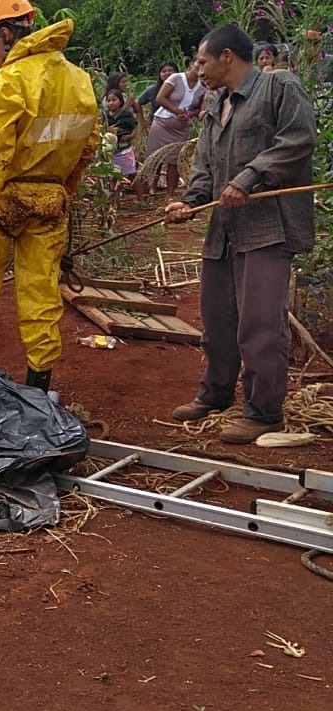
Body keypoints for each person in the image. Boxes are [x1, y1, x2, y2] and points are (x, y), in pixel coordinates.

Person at [164, 26, 316, 444]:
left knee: (260, 325)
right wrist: (189, 201)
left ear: (226, 55)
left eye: (201, 60)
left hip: (266, 229)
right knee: (217, 319)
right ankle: (215, 394)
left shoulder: (278, 87)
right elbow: (206, 169)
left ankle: (264, 412)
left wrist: (249, 178)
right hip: (223, 232)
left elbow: (298, 141)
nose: (198, 70)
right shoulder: (215, 107)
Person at [0, 0, 99, 393]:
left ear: (6, 35)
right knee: (41, 294)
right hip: (51, 200)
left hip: (3, 201)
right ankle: (39, 393)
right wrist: (65, 197)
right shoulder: (79, 80)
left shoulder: (3, 84)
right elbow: (86, 149)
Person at [139, 59, 205, 201]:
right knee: (155, 157)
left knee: (175, 160)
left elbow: (200, 108)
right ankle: (151, 187)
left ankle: (170, 193)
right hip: (162, 123)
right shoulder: (176, 78)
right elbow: (160, 98)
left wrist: (189, 114)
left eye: (204, 65)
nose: (200, 68)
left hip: (181, 127)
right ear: (191, 64)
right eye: (198, 64)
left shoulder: (203, 85)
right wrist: (176, 111)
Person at [104, 89, 138, 185]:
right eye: (108, 101)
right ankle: (114, 196)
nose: (111, 103)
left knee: (132, 173)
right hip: (111, 150)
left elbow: (135, 125)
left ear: (120, 101)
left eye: (114, 100)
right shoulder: (105, 115)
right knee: (113, 174)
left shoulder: (126, 114)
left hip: (125, 148)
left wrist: (131, 135)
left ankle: (140, 198)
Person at [136, 61, 178, 132]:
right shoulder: (153, 90)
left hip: (177, 127)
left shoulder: (182, 89)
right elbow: (137, 103)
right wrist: (142, 122)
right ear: (159, 75)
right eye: (163, 71)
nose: (167, 73)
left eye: (170, 70)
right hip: (157, 128)